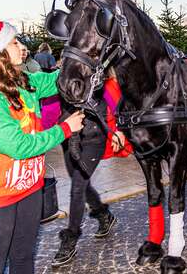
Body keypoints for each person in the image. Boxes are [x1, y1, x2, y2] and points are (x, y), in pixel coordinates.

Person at [0, 19, 84, 274]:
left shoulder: (21, 80)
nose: (22, 47)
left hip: (29, 189)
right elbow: (18, 146)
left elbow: (54, 80)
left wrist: (80, 60)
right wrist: (65, 129)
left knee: (23, 258)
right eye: (14, 42)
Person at [52, 73, 131, 267]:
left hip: (94, 140)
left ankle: (70, 238)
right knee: (82, 185)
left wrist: (120, 129)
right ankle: (104, 215)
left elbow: (120, 103)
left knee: (78, 187)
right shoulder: (63, 78)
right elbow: (52, 105)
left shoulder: (100, 80)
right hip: (69, 138)